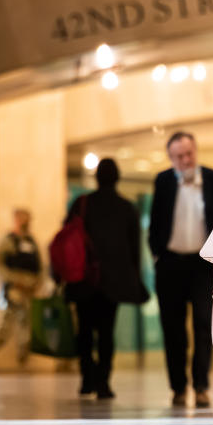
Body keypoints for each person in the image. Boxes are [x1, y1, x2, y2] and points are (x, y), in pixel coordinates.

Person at [149, 132, 213, 409]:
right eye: (179, 156)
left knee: (202, 324)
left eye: (189, 154)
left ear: (195, 151)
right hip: (170, 263)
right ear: (171, 158)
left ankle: (201, 386)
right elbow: (156, 220)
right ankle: (178, 388)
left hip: (203, 265)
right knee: (173, 331)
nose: (185, 160)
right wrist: (156, 254)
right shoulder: (162, 181)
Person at [67, 159, 148, 399]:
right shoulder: (127, 208)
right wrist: (133, 277)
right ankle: (103, 381)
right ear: (117, 178)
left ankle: (86, 377)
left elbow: (67, 239)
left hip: (83, 279)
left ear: (97, 178)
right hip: (113, 281)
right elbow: (134, 249)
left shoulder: (82, 204)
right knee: (106, 332)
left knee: (84, 330)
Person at [0, 208, 41, 370]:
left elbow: (39, 266)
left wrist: (35, 284)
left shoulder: (31, 241)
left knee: (26, 327)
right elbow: (0, 265)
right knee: (6, 326)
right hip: (13, 290)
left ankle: (23, 362)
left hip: (29, 290)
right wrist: (14, 281)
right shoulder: (8, 241)